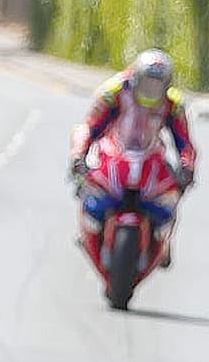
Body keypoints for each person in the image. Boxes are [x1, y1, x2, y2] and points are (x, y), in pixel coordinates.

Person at [70, 49, 197, 264]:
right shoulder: (114, 92)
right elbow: (90, 126)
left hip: (151, 157)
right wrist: (78, 156)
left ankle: (164, 244)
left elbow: (184, 142)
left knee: (171, 198)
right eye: (147, 82)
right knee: (86, 186)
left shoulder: (173, 104)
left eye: (157, 85)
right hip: (113, 153)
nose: (151, 89)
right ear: (136, 78)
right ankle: (87, 233)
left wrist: (187, 168)